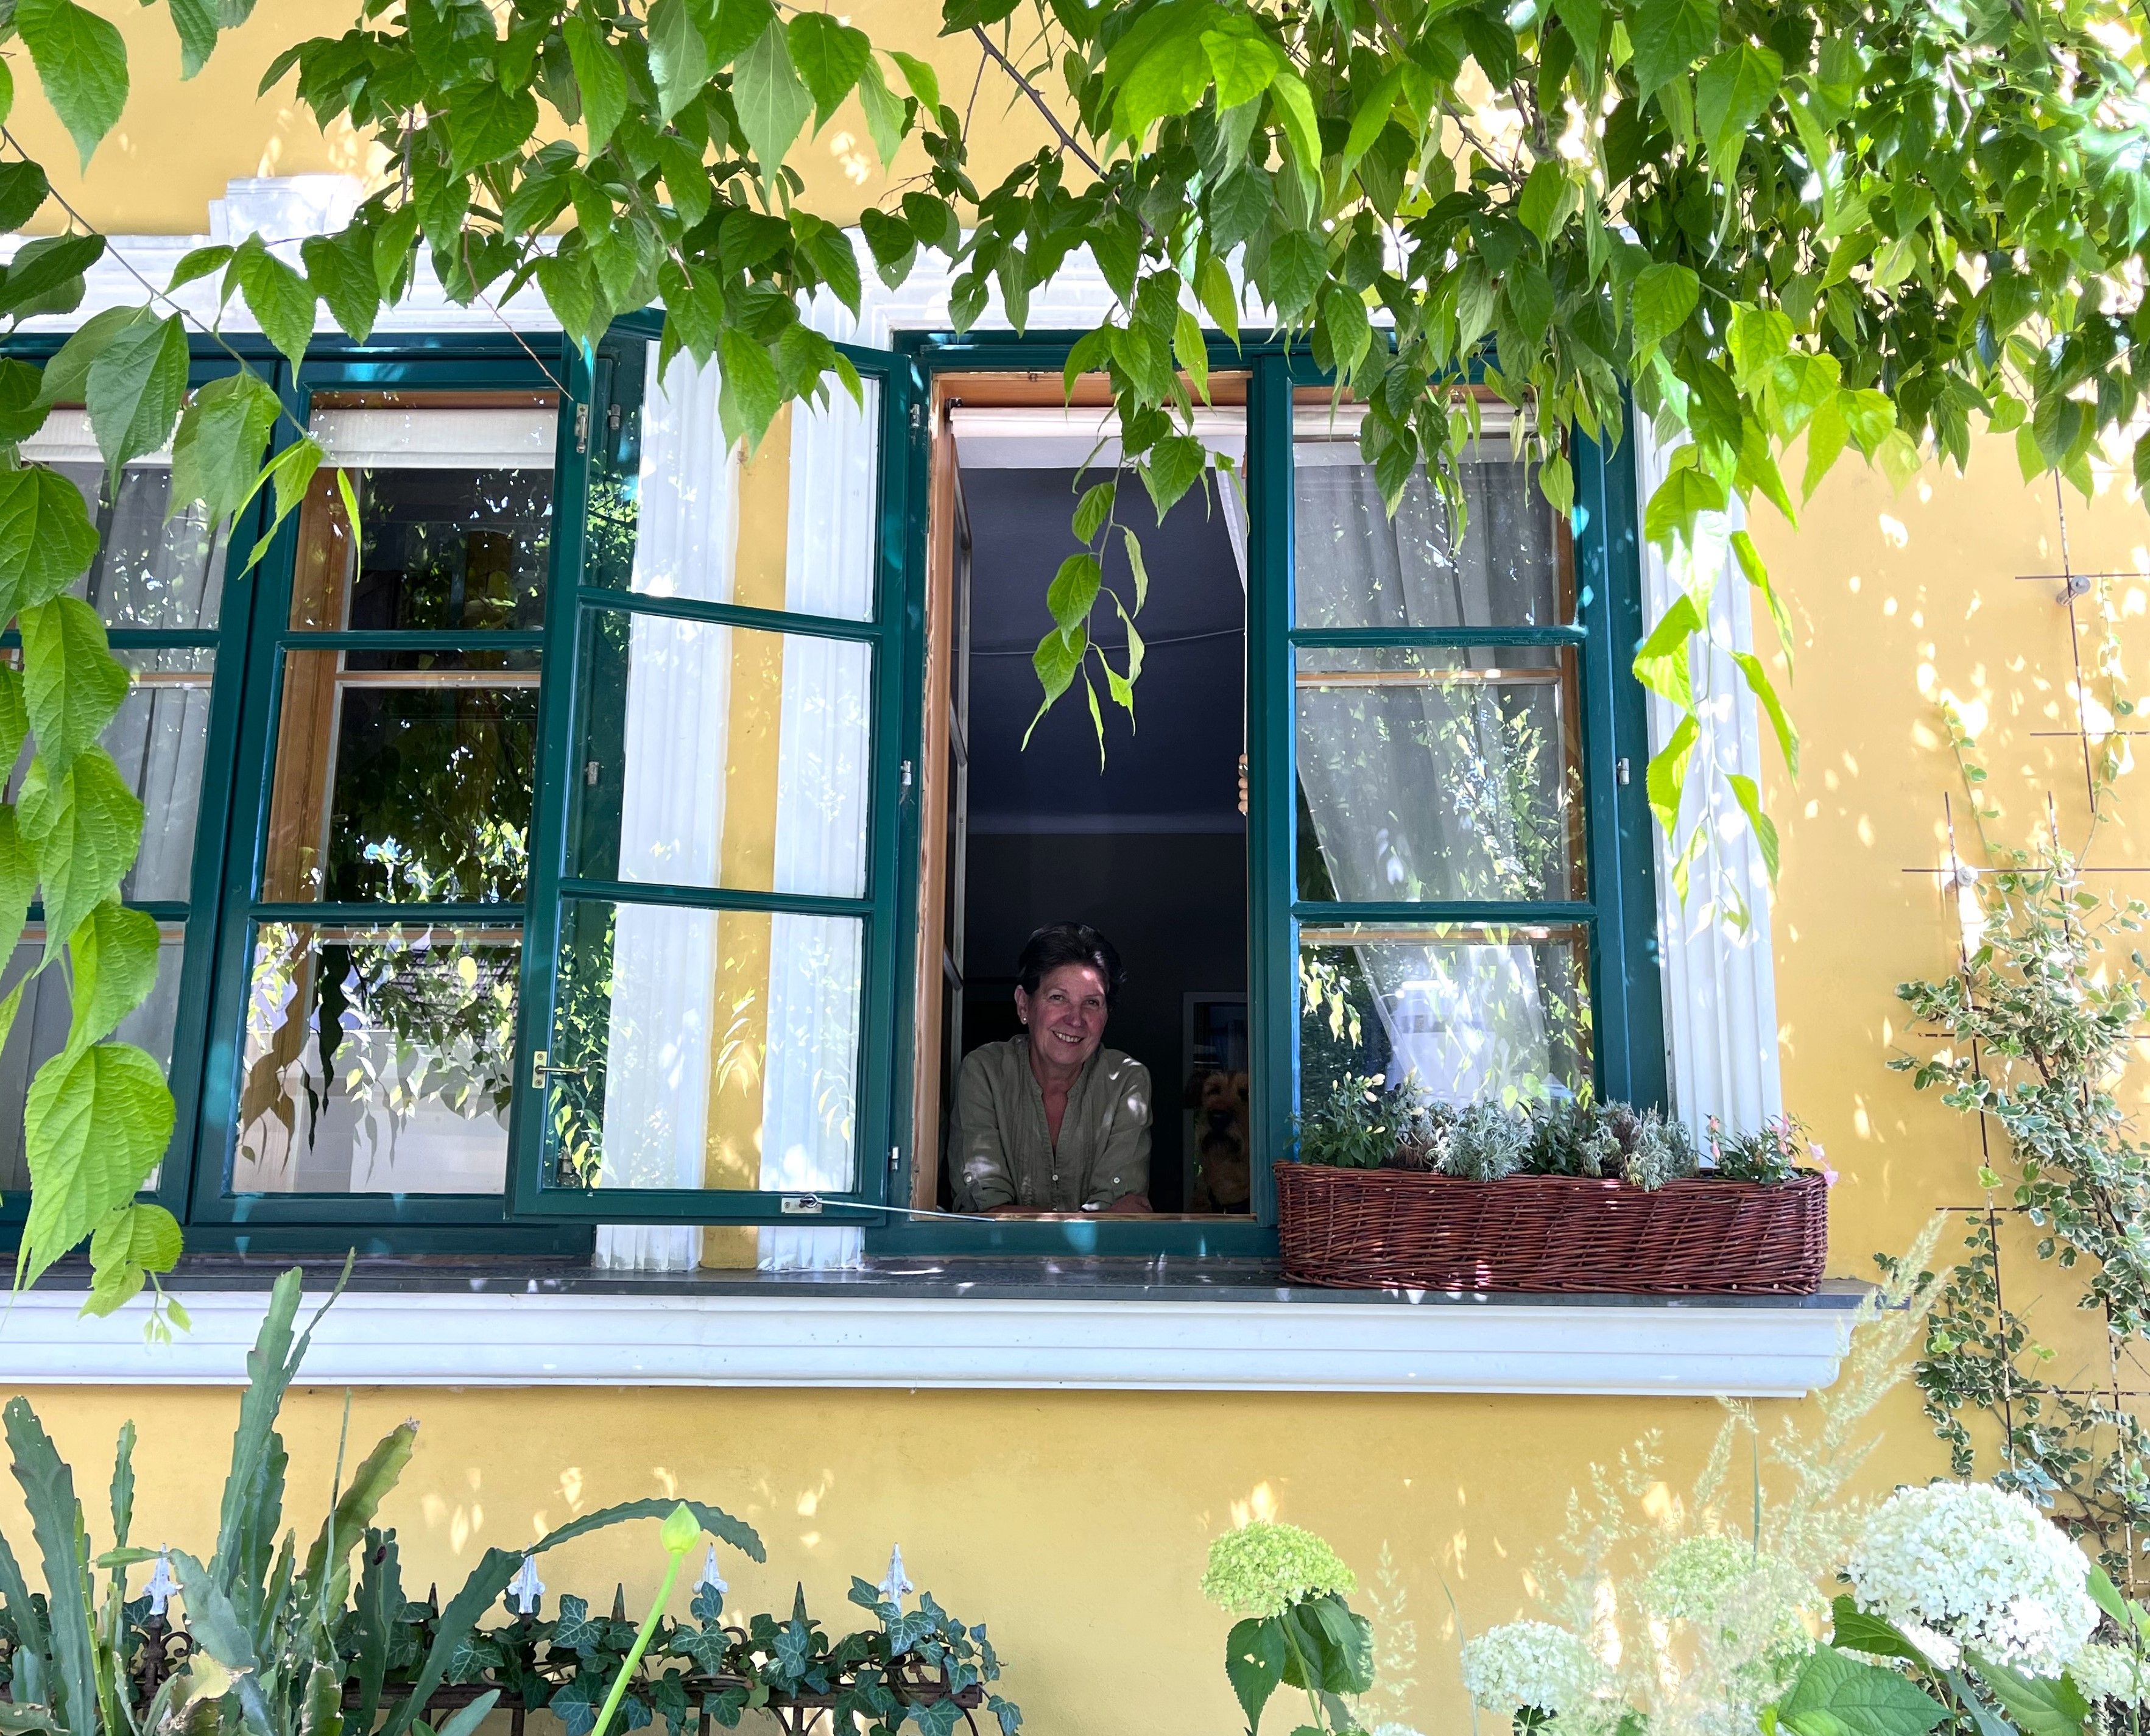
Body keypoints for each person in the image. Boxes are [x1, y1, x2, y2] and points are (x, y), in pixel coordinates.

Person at [950, 923, 1153, 1214]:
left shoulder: (1127, 1081)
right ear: (1024, 1005)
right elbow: (986, 1216)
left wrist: (1016, 1216)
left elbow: (1123, 1219)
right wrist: (1096, 1221)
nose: (1075, 1019)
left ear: (1106, 1015)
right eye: (1058, 997)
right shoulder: (984, 1073)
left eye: (1092, 1003)